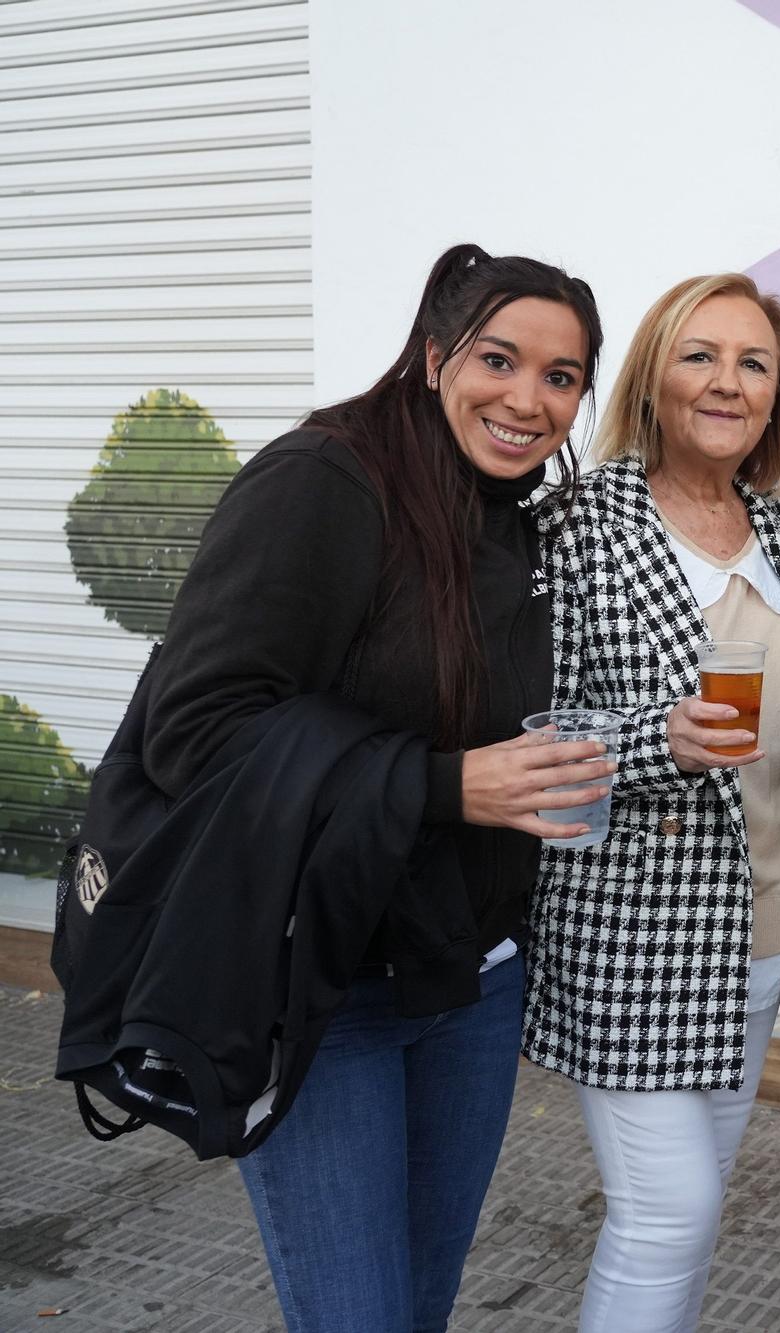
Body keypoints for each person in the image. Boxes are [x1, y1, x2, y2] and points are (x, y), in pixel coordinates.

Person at [143, 243, 611, 1330]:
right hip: (325, 989)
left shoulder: (516, 514)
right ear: (436, 352)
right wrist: (446, 788)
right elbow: (197, 734)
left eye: (561, 377)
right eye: (500, 358)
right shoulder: (323, 479)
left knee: (419, 1307)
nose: (527, 399)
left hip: (473, 984)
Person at [522, 273, 780, 1332]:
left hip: (761, 929)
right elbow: (527, 728)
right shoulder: (579, 519)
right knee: (667, 1212)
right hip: (635, 934)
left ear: (776, 396)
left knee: (689, 1215)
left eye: (752, 363)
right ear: (653, 378)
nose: (727, 381)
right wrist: (649, 738)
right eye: (700, 355)